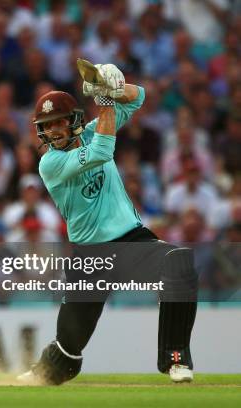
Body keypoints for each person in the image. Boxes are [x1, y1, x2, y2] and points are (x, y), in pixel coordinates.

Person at [17, 63, 197, 385]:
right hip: (90, 255)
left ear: (73, 121)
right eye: (47, 125)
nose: (54, 130)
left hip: (130, 240)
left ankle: (175, 358)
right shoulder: (50, 163)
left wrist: (113, 88)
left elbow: (138, 97)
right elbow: (103, 150)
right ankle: (42, 371)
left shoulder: (91, 130)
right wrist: (106, 101)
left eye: (59, 122)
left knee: (178, 263)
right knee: (67, 357)